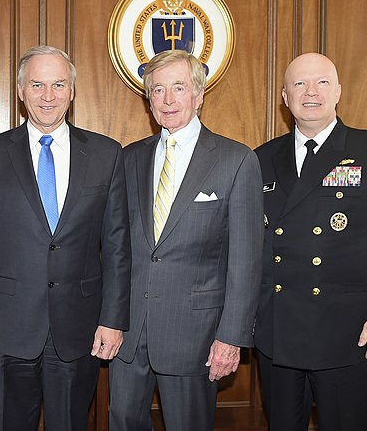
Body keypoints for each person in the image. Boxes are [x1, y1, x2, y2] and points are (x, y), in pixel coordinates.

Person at [0, 45, 131, 431]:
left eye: (58, 84)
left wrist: (113, 320)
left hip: (80, 328)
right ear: (21, 90)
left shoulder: (106, 154)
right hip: (6, 329)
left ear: (72, 90)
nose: (47, 95)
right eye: (37, 84)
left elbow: (118, 248)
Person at [254, 52, 367, 430]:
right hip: (278, 332)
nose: (310, 92)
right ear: (284, 97)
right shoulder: (261, 159)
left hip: (350, 332)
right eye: (299, 83)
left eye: (322, 82)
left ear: (338, 92)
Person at [109, 49, 263, 431]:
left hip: (195, 335)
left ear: (199, 94)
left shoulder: (236, 160)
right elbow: (116, 249)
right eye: (157, 90)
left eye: (178, 87)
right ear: (148, 100)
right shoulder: (129, 159)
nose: (168, 99)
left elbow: (245, 261)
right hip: (129, 335)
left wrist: (231, 337)